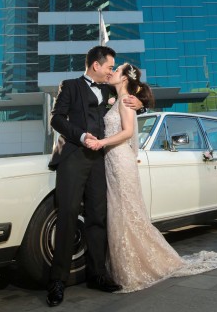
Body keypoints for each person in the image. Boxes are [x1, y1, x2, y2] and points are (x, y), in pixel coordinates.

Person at [85, 63, 217, 293]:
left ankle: (134, 266)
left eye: (117, 70)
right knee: (119, 212)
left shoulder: (126, 101)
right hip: (111, 161)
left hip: (120, 160)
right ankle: (125, 264)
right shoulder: (115, 99)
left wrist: (102, 142)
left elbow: (127, 132)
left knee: (127, 211)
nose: (112, 72)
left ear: (124, 79)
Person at [46, 46, 143, 307]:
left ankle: (97, 274)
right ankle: (57, 280)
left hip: (100, 160)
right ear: (96, 66)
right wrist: (80, 136)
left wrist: (140, 104)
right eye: (109, 66)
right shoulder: (69, 85)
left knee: (97, 217)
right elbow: (56, 119)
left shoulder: (110, 90)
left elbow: (128, 101)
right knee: (67, 214)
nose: (111, 71)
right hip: (73, 157)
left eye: (114, 68)